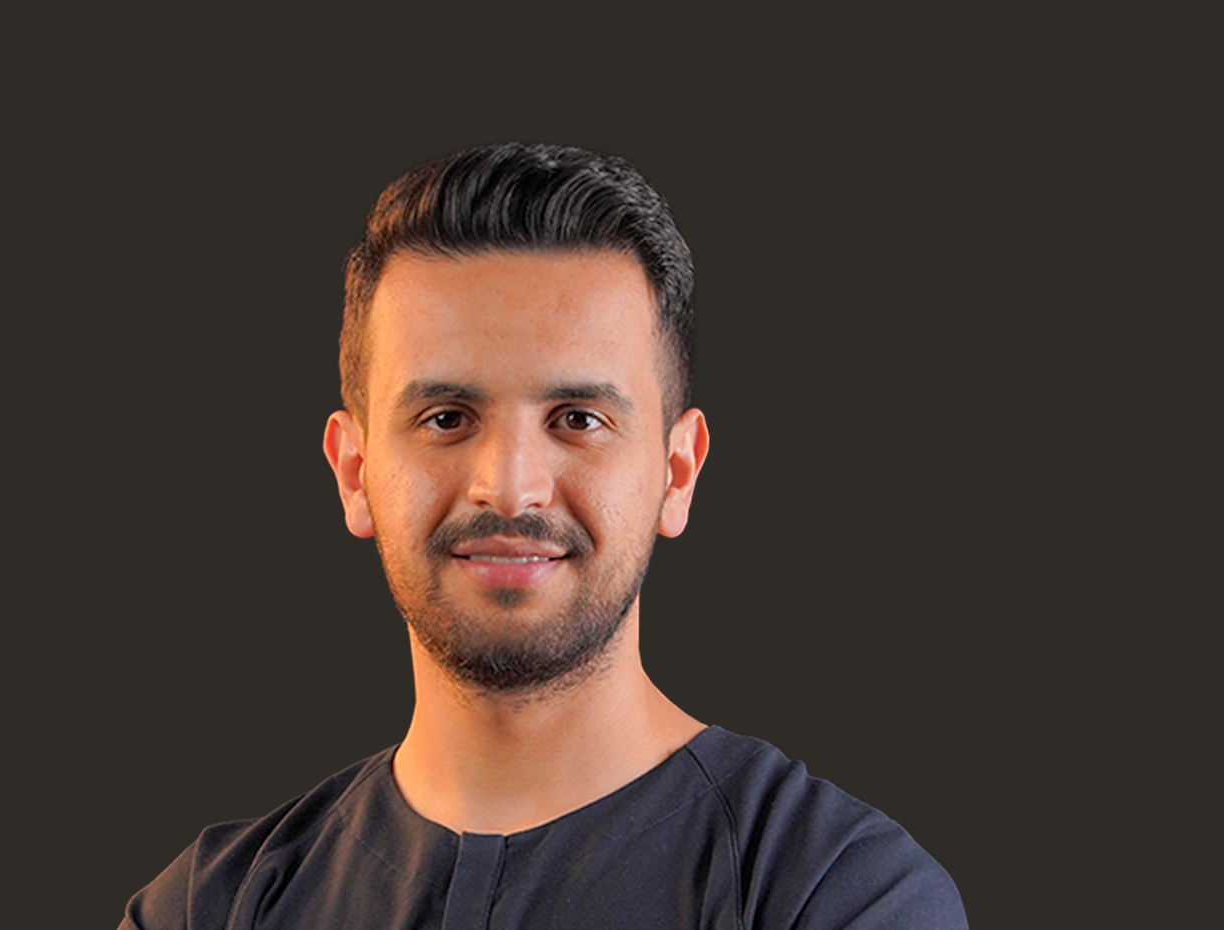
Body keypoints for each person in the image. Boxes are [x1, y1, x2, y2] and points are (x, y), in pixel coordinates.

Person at [120, 143, 968, 929]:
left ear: (677, 473)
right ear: (354, 471)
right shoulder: (208, 908)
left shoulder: (835, 891)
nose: (509, 486)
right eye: (446, 418)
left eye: (578, 418)